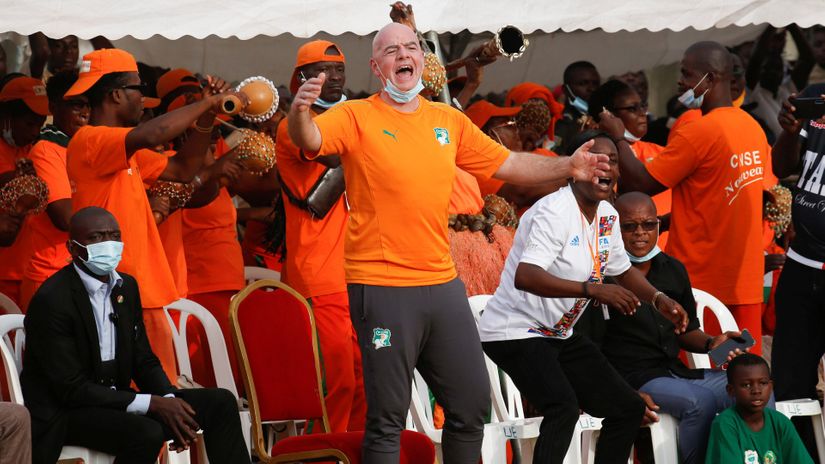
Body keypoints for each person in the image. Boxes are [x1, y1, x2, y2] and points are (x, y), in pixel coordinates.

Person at [287, 22, 611, 464]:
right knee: (387, 417)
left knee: (471, 406)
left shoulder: (447, 120)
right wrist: (300, 112)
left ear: (422, 60)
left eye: (412, 47)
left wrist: (568, 168)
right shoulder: (356, 115)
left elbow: (512, 165)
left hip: (443, 287)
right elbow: (311, 139)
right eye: (391, 50)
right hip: (382, 288)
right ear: (377, 68)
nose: (404, 54)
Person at [478, 132, 687, 464]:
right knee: (562, 406)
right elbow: (526, 275)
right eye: (594, 159)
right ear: (574, 168)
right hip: (514, 331)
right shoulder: (553, 212)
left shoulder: (607, 214)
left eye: (613, 161)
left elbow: (621, 270)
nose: (604, 167)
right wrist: (592, 289)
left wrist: (658, 298)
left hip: (558, 333)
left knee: (628, 408)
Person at [64, 48, 245, 381]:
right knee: (142, 409)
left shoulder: (125, 150)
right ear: (116, 94)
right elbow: (154, 133)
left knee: (164, 402)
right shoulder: (91, 140)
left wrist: (207, 117)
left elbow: (182, 168)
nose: (144, 99)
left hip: (142, 294)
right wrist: (205, 103)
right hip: (117, 295)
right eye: (138, 89)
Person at [21, 207, 250, 464]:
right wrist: (151, 404)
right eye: (96, 237)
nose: (107, 244)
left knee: (219, 402)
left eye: (114, 236)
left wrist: (168, 400)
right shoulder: (52, 299)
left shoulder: (126, 286)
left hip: (115, 400)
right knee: (146, 433)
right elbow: (71, 389)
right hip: (67, 412)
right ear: (72, 249)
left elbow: (143, 360)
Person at [615, 41, 771, 355]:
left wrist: (617, 135)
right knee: (747, 375)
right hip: (747, 277)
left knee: (708, 371)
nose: (681, 82)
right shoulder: (752, 127)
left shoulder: (698, 131)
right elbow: (727, 196)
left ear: (710, 78)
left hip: (702, 279)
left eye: (687, 74)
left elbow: (640, 183)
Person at [602, 191, 753, 464]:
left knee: (754, 387)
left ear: (658, 226)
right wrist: (621, 394)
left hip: (675, 373)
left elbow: (687, 330)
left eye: (648, 225)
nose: (640, 233)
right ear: (613, 228)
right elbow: (588, 348)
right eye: (629, 226)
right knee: (700, 403)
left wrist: (712, 343)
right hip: (633, 378)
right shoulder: (601, 276)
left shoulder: (672, 269)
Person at [275, 39, 366, 433]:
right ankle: (324, 455)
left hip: (361, 273)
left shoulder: (354, 116)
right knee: (337, 380)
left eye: (340, 71)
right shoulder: (290, 125)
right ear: (301, 78)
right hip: (319, 275)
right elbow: (333, 150)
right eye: (322, 71)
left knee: (367, 378)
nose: (334, 78)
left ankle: (360, 454)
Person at [770, 83, 825, 460]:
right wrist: (789, 133)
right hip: (802, 266)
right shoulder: (818, 99)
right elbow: (783, 167)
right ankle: (801, 456)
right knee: (791, 381)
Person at [18, 71, 89, 310]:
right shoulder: (46, 150)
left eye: (90, 104)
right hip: (51, 275)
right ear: (53, 106)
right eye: (76, 104)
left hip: (80, 272)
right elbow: (65, 217)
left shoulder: (84, 147)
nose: (85, 112)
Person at [588, 79, 672, 248]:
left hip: (670, 259)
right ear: (608, 116)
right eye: (632, 108)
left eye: (643, 106)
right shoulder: (595, 159)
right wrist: (618, 139)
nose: (643, 113)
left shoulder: (660, 151)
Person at [706, 354, 813, 463]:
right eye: (747, 385)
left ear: (770, 387)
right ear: (731, 390)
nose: (756, 390)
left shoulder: (780, 422)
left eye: (763, 383)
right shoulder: (725, 424)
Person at [0, 75, 49, 304]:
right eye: (29, 123)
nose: (34, 131)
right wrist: (13, 178)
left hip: (27, 270)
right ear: (6, 117)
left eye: (39, 125)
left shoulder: (34, 150)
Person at [554, 61, 601, 154]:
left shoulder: (605, 118)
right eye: (583, 83)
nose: (591, 88)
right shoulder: (559, 121)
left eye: (595, 84)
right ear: (566, 89)